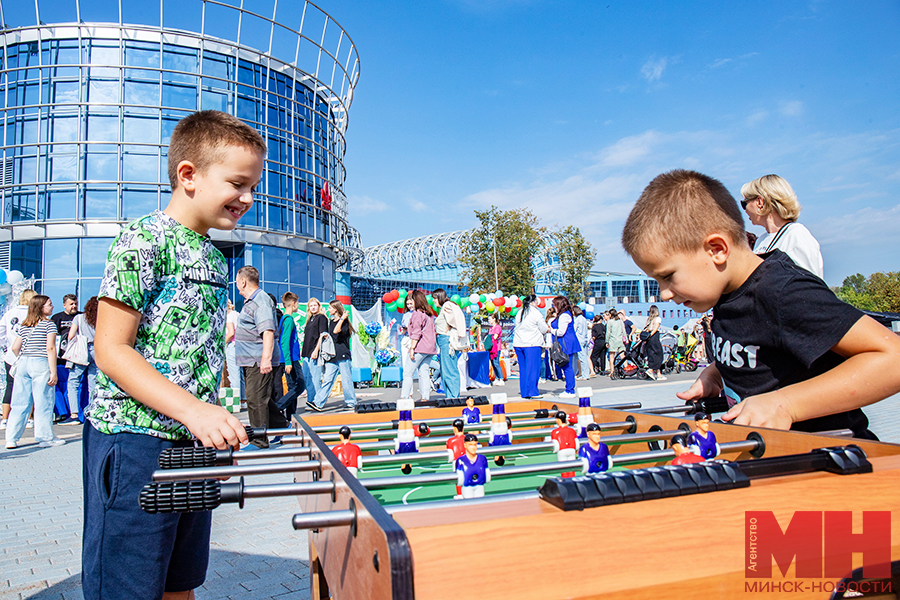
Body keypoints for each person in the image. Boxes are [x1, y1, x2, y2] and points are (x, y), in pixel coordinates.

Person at [82, 110, 258, 600]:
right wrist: (193, 411)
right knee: (128, 586)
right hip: (137, 443)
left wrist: (212, 422)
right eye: (238, 184)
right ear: (188, 176)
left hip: (189, 445)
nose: (247, 198)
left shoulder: (210, 252)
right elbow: (112, 350)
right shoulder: (143, 239)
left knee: (180, 581)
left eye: (252, 188)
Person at [622, 169, 900, 438]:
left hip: (833, 464)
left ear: (717, 250)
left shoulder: (782, 291)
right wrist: (718, 374)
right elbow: (764, 348)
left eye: (668, 276)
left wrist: (786, 404)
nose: (664, 294)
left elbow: (893, 359)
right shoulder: (723, 293)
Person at [235, 266, 289, 446]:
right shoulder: (251, 301)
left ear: (243, 281)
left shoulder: (261, 301)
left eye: (237, 281)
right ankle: (284, 427)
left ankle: (258, 440)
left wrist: (265, 359)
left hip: (258, 360)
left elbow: (267, 331)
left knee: (255, 400)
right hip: (251, 359)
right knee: (262, 398)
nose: (236, 285)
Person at [740, 174, 824, 279]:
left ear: (760, 202)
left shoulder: (796, 236)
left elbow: (811, 288)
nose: (745, 210)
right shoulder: (761, 241)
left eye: (744, 204)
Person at [4, 295, 60, 449]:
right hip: (40, 362)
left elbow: (15, 348)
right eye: (49, 304)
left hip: (23, 363)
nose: (52, 307)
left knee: (19, 402)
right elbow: (50, 348)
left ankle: (11, 438)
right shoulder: (49, 325)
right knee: (44, 401)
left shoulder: (24, 325)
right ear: (41, 307)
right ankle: (45, 437)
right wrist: (53, 372)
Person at [0, 288, 36, 430]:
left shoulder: (10, 313)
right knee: (30, 386)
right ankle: (28, 418)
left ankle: (4, 418)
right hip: (30, 354)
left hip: (11, 356)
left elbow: (1, 333)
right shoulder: (33, 314)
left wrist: (7, 344)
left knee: (10, 385)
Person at [312, 300, 357, 411]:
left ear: (335, 309)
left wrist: (342, 318)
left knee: (346, 379)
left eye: (330, 308)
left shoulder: (344, 321)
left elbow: (337, 331)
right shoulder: (331, 321)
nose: (329, 309)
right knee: (328, 379)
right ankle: (318, 402)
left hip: (342, 355)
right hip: (332, 355)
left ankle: (351, 402)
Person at [65, 296, 99, 422]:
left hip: (81, 351)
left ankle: (74, 414)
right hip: (96, 350)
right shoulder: (100, 319)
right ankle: (92, 412)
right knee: (93, 382)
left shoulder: (79, 318)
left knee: (73, 381)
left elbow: (71, 336)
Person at [400, 290, 437, 402]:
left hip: (419, 348)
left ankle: (404, 397)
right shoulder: (429, 314)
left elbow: (416, 333)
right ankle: (425, 397)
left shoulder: (417, 314)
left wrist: (412, 349)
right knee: (424, 373)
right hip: (430, 348)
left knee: (408, 373)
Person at [433, 289, 467, 398]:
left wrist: (453, 327)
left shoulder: (447, 305)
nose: (433, 301)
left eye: (435, 298)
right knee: (445, 370)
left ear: (439, 297)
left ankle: (453, 396)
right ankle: (450, 395)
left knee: (449, 369)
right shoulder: (445, 307)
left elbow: (457, 318)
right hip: (443, 340)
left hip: (446, 340)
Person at [51, 293, 80, 421]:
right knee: (57, 385)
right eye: (71, 304)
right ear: (64, 305)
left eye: (75, 304)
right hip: (60, 359)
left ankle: (74, 412)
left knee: (73, 385)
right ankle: (62, 412)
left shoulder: (80, 317)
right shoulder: (57, 318)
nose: (74, 306)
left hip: (76, 358)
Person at [512, 294, 548, 399]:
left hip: (519, 343)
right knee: (533, 368)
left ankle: (525, 392)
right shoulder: (536, 313)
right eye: (537, 303)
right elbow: (543, 328)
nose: (537, 305)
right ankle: (533, 391)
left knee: (523, 369)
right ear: (533, 302)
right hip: (532, 343)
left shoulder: (520, 312)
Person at [277, 292, 305, 419]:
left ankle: (291, 415)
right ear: (293, 304)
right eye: (297, 303)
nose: (298, 305)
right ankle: (278, 407)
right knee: (299, 386)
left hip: (289, 358)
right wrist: (288, 361)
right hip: (291, 359)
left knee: (292, 386)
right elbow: (284, 341)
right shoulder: (288, 320)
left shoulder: (284, 318)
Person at [547, 296, 581, 399]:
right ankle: (569, 389)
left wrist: (550, 330)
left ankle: (570, 390)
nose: (553, 306)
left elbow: (561, 331)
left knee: (567, 367)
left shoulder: (564, 316)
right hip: (566, 343)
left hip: (566, 343)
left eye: (554, 304)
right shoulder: (564, 315)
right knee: (567, 366)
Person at [300, 298, 328, 411]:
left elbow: (323, 335)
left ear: (319, 306)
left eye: (314, 305)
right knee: (307, 378)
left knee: (316, 378)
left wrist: (316, 350)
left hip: (314, 352)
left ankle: (317, 401)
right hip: (306, 353)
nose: (313, 307)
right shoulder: (310, 319)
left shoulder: (321, 318)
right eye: (310, 306)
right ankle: (310, 400)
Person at [456, 433, 490, 499]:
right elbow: (459, 478)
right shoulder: (461, 460)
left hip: (479, 486)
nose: (473, 447)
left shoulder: (482, 459)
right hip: (467, 487)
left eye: (475, 445)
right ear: (465, 445)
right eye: (470, 445)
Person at [642, 305, 665, 381]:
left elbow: (646, 328)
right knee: (658, 354)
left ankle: (659, 374)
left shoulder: (649, 319)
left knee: (652, 354)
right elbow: (655, 329)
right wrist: (650, 335)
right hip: (654, 337)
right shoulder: (657, 319)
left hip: (648, 339)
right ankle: (651, 370)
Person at [604, 309, 625, 380]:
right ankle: (626, 368)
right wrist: (626, 339)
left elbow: (608, 333)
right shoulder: (620, 321)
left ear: (610, 315)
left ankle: (612, 371)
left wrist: (606, 341)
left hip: (613, 340)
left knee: (612, 357)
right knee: (622, 356)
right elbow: (623, 330)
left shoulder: (610, 322)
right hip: (620, 340)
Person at [224, 300, 239, 390]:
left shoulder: (229, 317)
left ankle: (236, 398)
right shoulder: (237, 314)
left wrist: (222, 344)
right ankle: (243, 399)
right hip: (240, 346)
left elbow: (231, 333)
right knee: (239, 373)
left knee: (234, 374)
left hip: (232, 346)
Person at [486, 314, 505, 386]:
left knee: (496, 363)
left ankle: (501, 378)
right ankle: (496, 378)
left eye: (490, 319)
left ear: (494, 319)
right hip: (491, 348)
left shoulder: (497, 327)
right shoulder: (491, 328)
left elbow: (495, 336)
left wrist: (489, 338)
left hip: (496, 348)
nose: (489, 320)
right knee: (493, 363)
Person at [573, 307, 591, 380]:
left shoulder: (577, 319)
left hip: (579, 339)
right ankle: (585, 373)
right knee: (584, 357)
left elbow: (574, 329)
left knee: (581, 358)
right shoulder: (583, 319)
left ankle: (584, 375)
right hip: (584, 339)